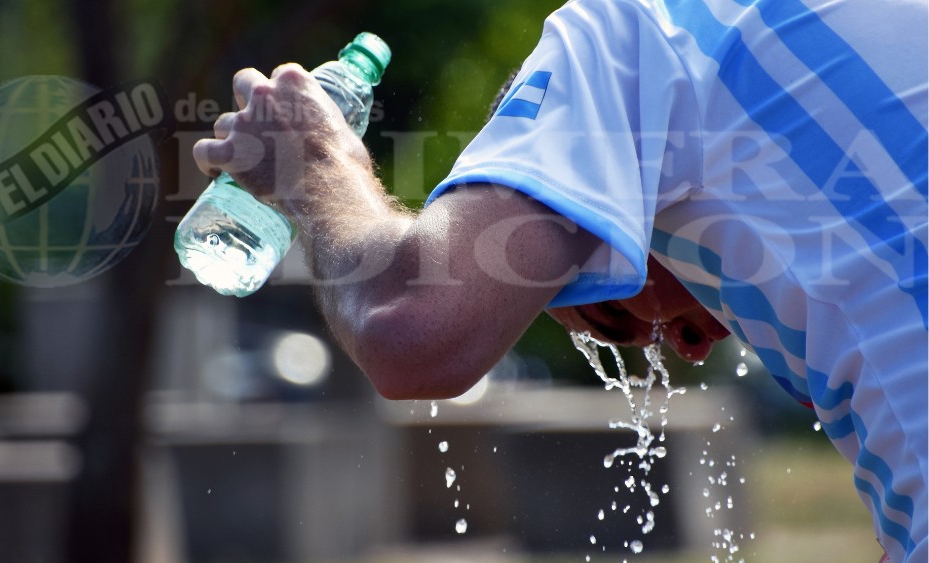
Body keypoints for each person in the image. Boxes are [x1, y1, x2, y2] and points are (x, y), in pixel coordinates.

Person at [193, 0, 927, 560]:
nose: (691, 351)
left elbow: (408, 324)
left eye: (615, 318)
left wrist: (313, 160)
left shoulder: (630, 28)